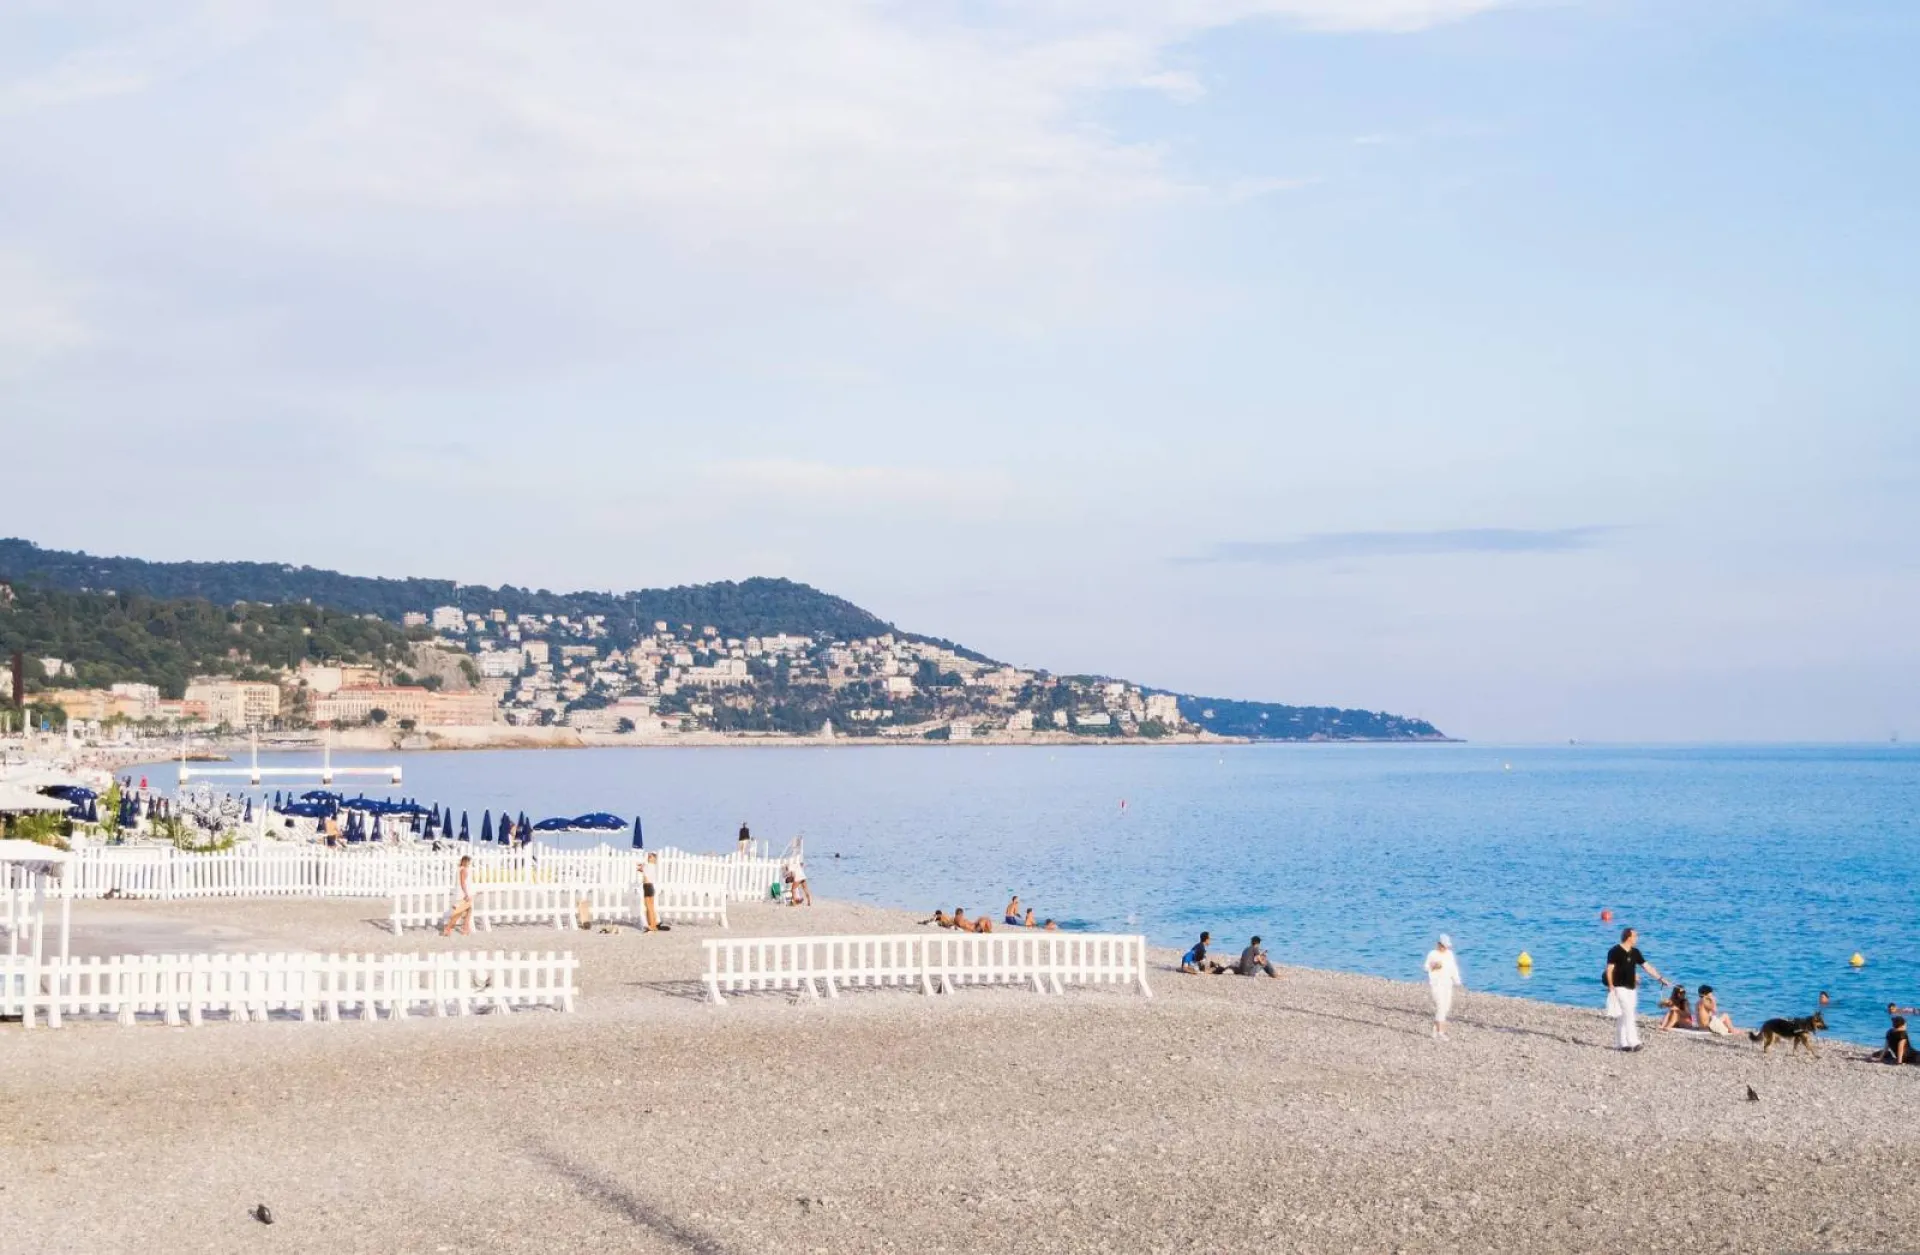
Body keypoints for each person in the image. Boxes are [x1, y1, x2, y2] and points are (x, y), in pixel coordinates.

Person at [1603, 927, 1671, 1052]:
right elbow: (1609, 969)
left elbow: (1647, 967)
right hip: (1619, 987)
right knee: (1629, 1013)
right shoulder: (1614, 951)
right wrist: (1610, 986)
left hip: (1632, 988)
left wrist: (1660, 978)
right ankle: (1633, 1041)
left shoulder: (1635, 952)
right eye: (1635, 936)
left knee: (1624, 1015)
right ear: (1629, 937)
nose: (1637, 938)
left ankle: (1621, 1043)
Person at [1425, 934, 1464, 1040]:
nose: (1444, 948)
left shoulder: (1449, 954)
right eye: (1443, 946)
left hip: (1447, 984)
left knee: (1446, 1008)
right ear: (1439, 944)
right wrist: (1433, 966)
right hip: (1436, 984)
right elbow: (1426, 967)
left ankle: (1435, 1028)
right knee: (1441, 1007)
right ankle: (1441, 1032)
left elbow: (1453, 968)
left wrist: (1457, 980)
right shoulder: (1432, 954)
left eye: (1446, 946)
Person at [441, 855, 474, 937]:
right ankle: (448, 929)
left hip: (460, 893)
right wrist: (466, 894)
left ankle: (465, 928)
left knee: (468, 910)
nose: (469, 864)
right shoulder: (463, 870)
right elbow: (462, 883)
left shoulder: (460, 869)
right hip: (462, 894)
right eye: (468, 862)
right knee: (458, 914)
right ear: (465, 862)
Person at [639, 852, 667, 932]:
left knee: (649, 907)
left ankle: (652, 926)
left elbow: (640, 869)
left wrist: (641, 866)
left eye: (650, 856)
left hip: (647, 886)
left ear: (654, 858)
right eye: (648, 856)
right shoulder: (652, 866)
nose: (648, 857)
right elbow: (643, 870)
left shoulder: (649, 866)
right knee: (650, 906)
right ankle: (653, 924)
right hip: (650, 886)